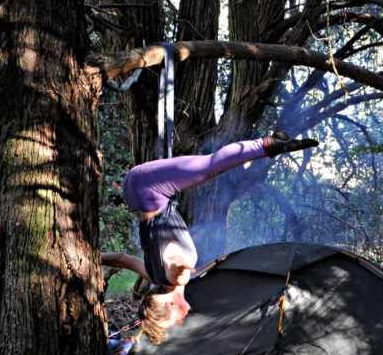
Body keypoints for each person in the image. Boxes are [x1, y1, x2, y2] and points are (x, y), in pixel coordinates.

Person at [102, 131, 317, 343]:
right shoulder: (153, 276)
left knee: (211, 167)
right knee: (208, 168)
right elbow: (121, 259)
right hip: (135, 193)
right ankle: (273, 143)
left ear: (170, 304)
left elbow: (174, 264)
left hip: (150, 188)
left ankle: (269, 144)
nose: (180, 322)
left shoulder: (177, 278)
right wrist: (95, 257)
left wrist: (182, 267)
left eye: (174, 321)